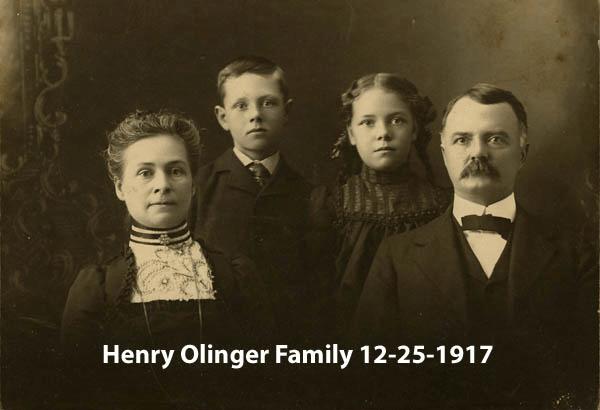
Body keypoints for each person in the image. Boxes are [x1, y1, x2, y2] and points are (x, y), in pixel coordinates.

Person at [351, 84, 598, 408]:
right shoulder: (397, 256)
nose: (478, 152)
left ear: (522, 154)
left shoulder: (576, 253)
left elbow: (589, 375)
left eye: (495, 139)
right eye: (462, 140)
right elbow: (368, 378)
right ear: (444, 153)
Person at [61, 110, 267, 408]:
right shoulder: (98, 288)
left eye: (176, 171)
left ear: (193, 185)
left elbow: (263, 384)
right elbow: (77, 393)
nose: (163, 185)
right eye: (145, 173)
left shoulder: (235, 275)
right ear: (120, 188)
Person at [194, 56, 330, 344]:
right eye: (241, 105)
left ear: (286, 111)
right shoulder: (198, 188)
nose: (255, 115)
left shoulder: (311, 194)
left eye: (268, 103)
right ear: (222, 117)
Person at [331, 73, 450, 334]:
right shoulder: (332, 204)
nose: (383, 133)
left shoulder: (442, 204)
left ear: (414, 130)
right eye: (368, 122)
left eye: (397, 120)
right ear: (351, 133)